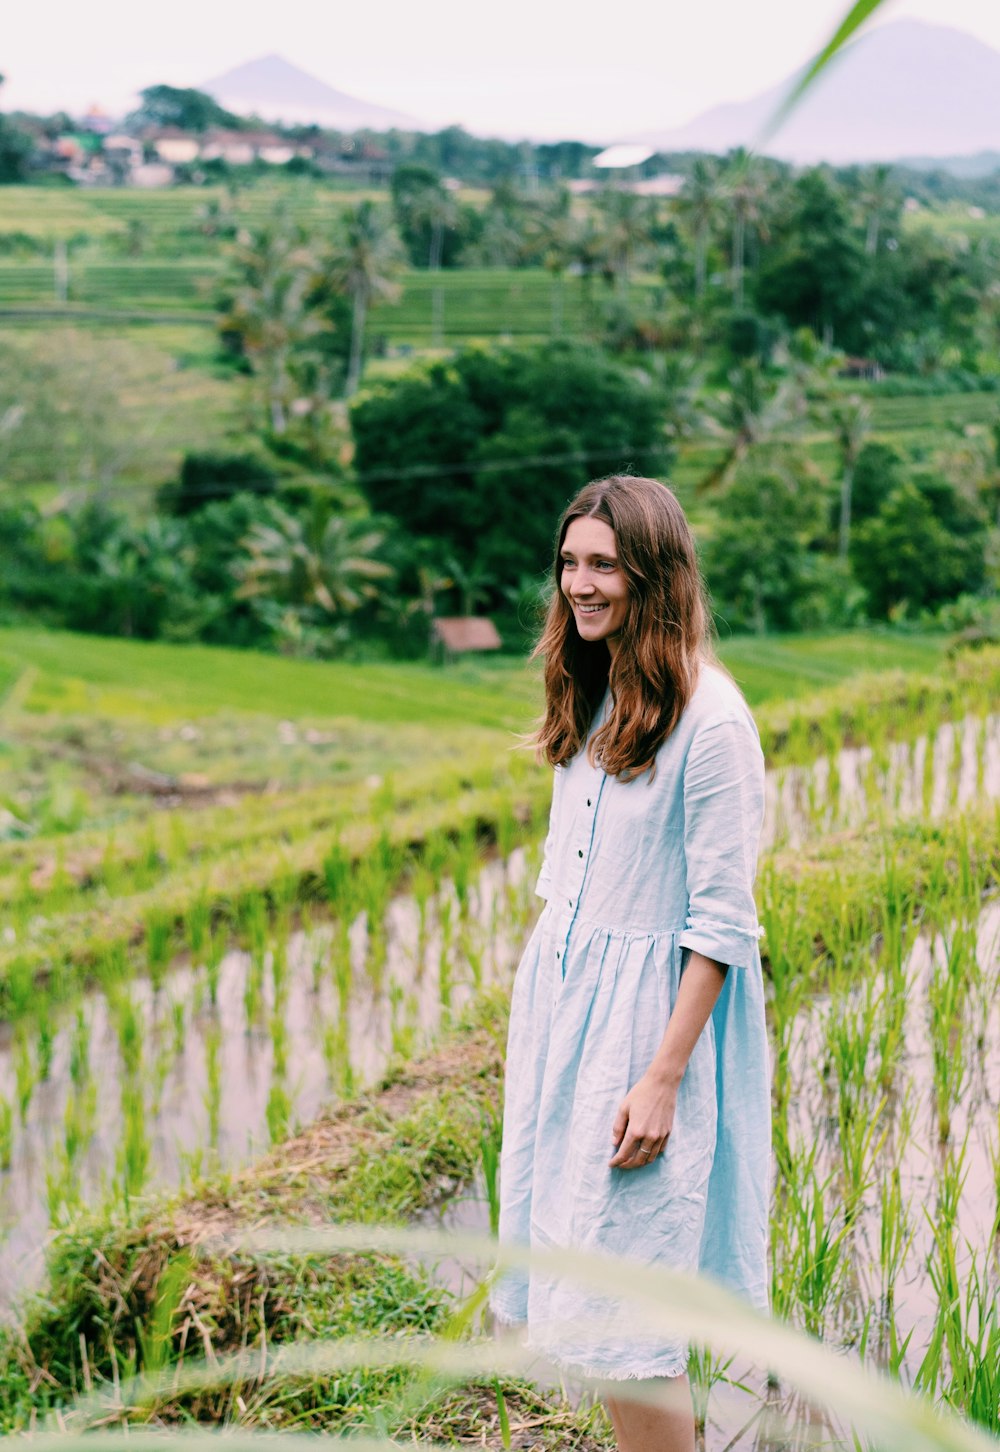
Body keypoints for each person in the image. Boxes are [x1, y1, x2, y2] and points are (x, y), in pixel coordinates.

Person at [491, 475, 770, 1452]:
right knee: (588, 1288)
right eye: (569, 562)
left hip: (648, 1035)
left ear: (654, 573)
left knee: (631, 1315)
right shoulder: (594, 688)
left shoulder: (713, 722)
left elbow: (722, 924)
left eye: (603, 563)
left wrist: (660, 1079)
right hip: (570, 1019)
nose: (580, 583)